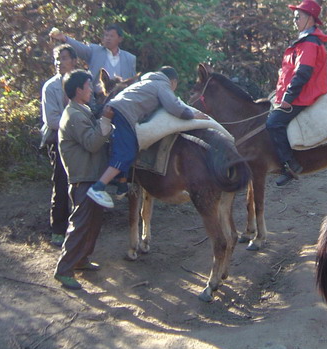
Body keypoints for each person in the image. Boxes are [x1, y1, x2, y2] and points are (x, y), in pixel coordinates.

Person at [86, 66, 209, 208]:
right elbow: (173, 106)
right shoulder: (162, 85)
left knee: (130, 147)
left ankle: (122, 185)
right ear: (173, 82)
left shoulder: (145, 82)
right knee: (125, 153)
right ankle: (98, 187)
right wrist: (191, 115)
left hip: (118, 110)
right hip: (124, 114)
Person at [54, 70, 112, 290]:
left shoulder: (83, 110)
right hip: (83, 179)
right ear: (78, 90)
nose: (92, 90)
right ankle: (64, 270)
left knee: (93, 222)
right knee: (80, 224)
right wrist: (106, 120)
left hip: (92, 177)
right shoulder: (75, 115)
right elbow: (92, 143)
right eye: (89, 86)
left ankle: (81, 259)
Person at [266, 0, 327, 186]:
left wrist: (288, 98)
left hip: (304, 94)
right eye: (294, 17)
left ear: (310, 18)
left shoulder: (309, 43)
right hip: (298, 92)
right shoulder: (305, 40)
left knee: (273, 123)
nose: (294, 20)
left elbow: (303, 73)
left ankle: (290, 165)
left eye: (298, 17)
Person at [40, 44, 78, 247]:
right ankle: (58, 228)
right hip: (58, 139)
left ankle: (81, 224)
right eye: (56, 58)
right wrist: (77, 125)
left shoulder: (82, 81)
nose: (58, 63)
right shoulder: (51, 87)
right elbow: (52, 121)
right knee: (61, 182)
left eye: (63, 58)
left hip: (81, 139)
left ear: (74, 61)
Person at [49, 23, 137, 102]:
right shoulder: (95, 51)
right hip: (97, 99)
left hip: (122, 99)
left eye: (111, 36)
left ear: (120, 39)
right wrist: (65, 38)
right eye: (106, 35)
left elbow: (133, 81)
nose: (108, 38)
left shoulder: (130, 58)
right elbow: (80, 48)